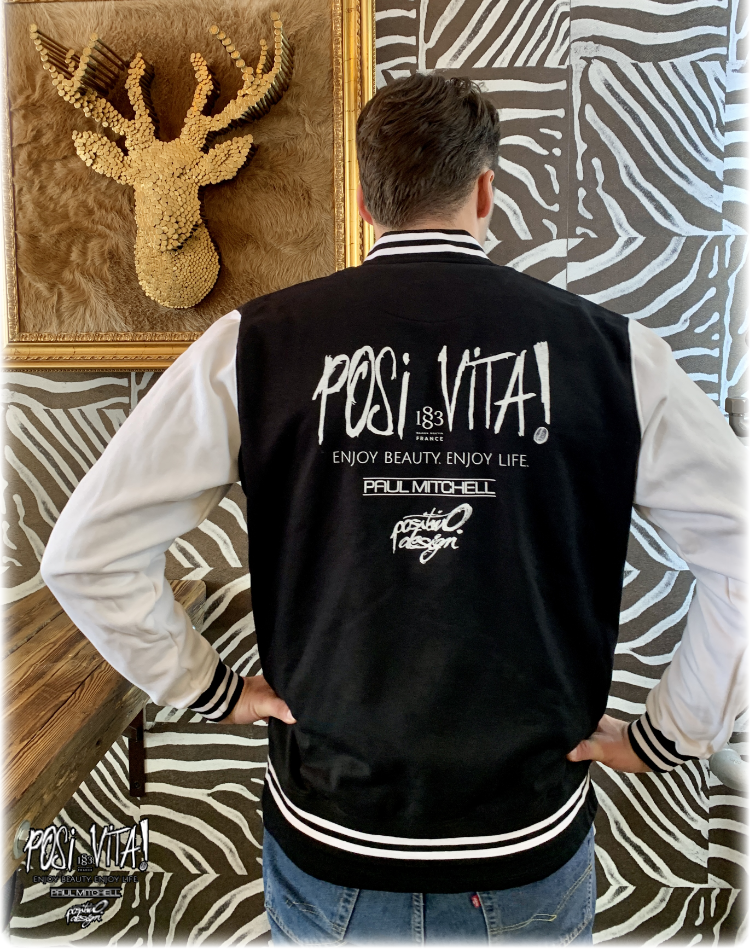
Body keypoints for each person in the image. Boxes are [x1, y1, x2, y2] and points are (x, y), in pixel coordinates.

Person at [40, 74, 746, 944]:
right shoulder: (612, 354)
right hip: (519, 845)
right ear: (485, 190)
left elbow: (85, 553)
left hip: (333, 838)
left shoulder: (254, 345)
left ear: (367, 201)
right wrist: (673, 733)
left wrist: (206, 689)